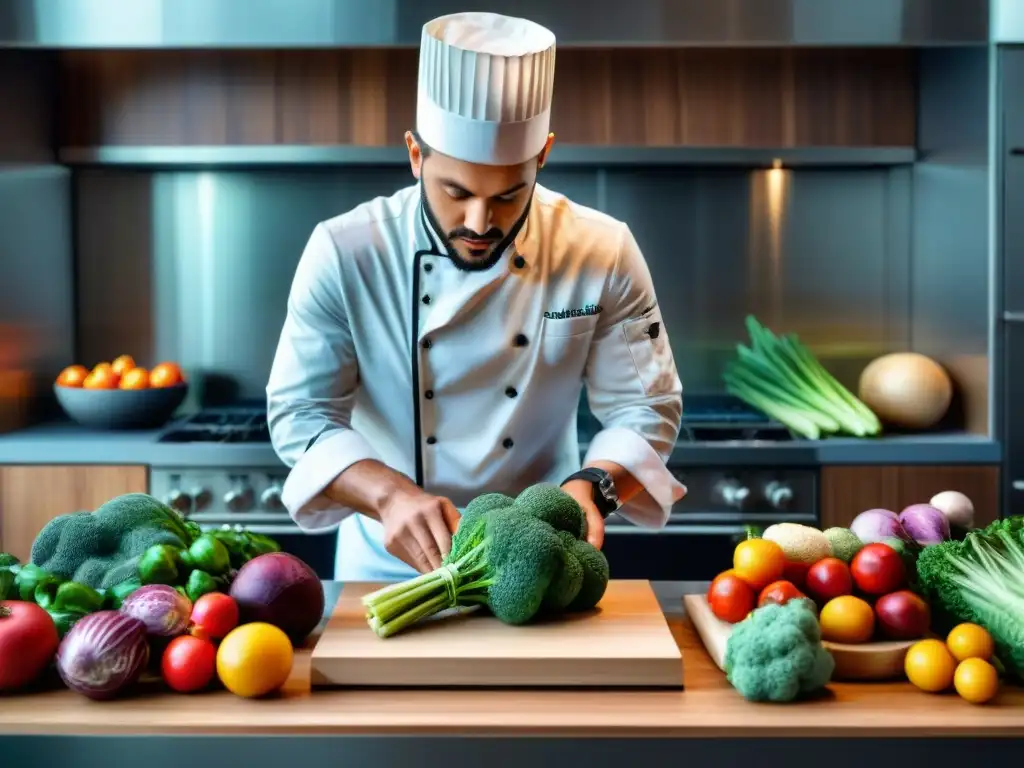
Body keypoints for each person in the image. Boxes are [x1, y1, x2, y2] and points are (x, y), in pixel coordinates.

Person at [266, 11, 686, 582]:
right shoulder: (345, 252)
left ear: (543, 157)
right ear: (416, 155)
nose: (480, 222)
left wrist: (593, 487)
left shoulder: (600, 249)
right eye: (455, 192)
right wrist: (388, 495)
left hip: (543, 559)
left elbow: (647, 406)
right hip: (386, 565)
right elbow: (300, 413)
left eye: (509, 196)